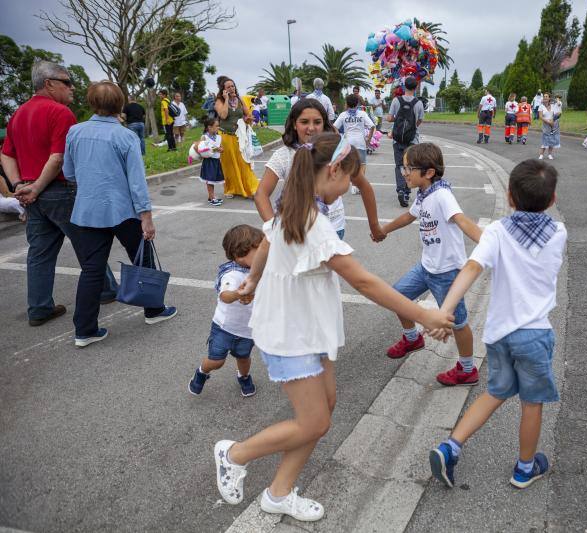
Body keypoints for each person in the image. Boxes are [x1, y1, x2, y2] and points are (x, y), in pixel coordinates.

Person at [215, 133, 453, 521]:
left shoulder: (298, 208)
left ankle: (278, 493)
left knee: (323, 410)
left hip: (307, 327)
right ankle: (234, 453)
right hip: (290, 332)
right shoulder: (313, 222)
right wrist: (425, 315)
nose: (351, 188)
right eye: (352, 179)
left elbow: (268, 245)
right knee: (316, 420)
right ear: (334, 170)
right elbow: (363, 281)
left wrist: (253, 281)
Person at [428, 159, 566, 490]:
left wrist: (445, 311)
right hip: (534, 336)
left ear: (509, 196)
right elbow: (534, 233)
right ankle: (524, 468)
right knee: (531, 404)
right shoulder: (559, 232)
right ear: (552, 199)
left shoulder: (497, 233)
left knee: (495, 392)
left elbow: (471, 269)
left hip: (499, 335)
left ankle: (451, 446)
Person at [1, 60, 116, 327]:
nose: (71, 87)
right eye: (66, 82)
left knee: (39, 252)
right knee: (88, 243)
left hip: (31, 193)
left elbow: (6, 154)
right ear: (49, 84)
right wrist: (37, 186)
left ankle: (39, 307)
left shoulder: (18, 114)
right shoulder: (60, 112)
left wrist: (20, 185)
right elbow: (58, 157)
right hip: (58, 189)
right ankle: (106, 289)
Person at [64, 81, 177, 346]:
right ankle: (153, 310)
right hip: (123, 210)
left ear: (92, 102)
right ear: (120, 104)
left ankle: (85, 330)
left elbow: (69, 173)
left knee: (91, 270)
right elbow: (137, 181)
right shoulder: (125, 136)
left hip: (87, 211)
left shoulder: (75, 132)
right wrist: (146, 216)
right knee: (142, 260)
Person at [379, 143, 483, 385]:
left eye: (408, 168)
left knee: (458, 322)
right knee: (398, 297)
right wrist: (384, 229)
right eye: (403, 167)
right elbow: (409, 216)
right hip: (426, 266)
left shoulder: (443, 196)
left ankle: (467, 369)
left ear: (428, 173)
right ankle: (412, 338)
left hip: (447, 273)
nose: (404, 172)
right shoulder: (425, 194)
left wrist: (487, 244)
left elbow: (462, 221)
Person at [254, 98, 385, 242]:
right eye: (304, 122)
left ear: (324, 124)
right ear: (294, 124)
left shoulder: (338, 153)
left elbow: (364, 185)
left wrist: (374, 226)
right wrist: (274, 231)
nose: (311, 128)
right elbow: (261, 194)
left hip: (333, 229)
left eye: (317, 122)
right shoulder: (283, 155)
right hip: (296, 233)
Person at [189, 224, 262, 396]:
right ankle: (202, 372)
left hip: (247, 329)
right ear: (240, 254)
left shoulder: (259, 272)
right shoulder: (232, 274)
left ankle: (243, 376)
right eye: (257, 251)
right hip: (224, 328)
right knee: (217, 361)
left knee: (244, 357)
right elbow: (225, 296)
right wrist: (238, 294)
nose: (262, 255)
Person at [214, 76, 260, 198]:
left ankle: (252, 189)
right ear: (223, 89)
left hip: (239, 137)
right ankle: (231, 189)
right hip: (225, 137)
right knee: (229, 164)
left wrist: (248, 119)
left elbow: (247, 114)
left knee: (243, 162)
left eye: (233, 86)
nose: (231, 88)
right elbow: (223, 115)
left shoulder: (239, 99)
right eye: (228, 87)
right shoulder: (219, 101)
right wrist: (226, 99)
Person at [386, 77, 425, 207]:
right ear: (415, 88)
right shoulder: (418, 103)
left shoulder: (396, 101)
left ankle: (400, 190)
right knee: (410, 165)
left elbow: (390, 118)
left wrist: (395, 119)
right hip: (412, 139)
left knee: (399, 165)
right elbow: (419, 121)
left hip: (397, 139)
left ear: (404, 87)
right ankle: (407, 191)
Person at [334, 94, 375, 196]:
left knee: (350, 165)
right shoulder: (362, 114)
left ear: (347, 104)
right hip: (360, 142)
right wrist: (368, 139)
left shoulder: (343, 115)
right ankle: (359, 186)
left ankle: (353, 186)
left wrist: (339, 137)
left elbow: (334, 126)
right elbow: (372, 126)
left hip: (348, 143)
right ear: (357, 103)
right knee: (362, 165)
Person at [197, 116, 225, 206]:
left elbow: (221, 148)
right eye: (216, 126)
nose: (218, 128)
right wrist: (212, 149)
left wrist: (220, 149)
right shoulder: (204, 137)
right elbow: (200, 148)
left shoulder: (218, 137)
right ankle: (212, 197)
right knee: (210, 180)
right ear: (209, 127)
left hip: (216, 161)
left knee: (212, 180)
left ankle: (211, 197)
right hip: (209, 161)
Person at [538, 93, 559, 160]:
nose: (545, 97)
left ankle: (549, 154)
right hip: (546, 125)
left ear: (549, 98)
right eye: (544, 96)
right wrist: (548, 121)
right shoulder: (541, 106)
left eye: (546, 96)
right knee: (545, 139)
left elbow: (557, 113)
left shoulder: (553, 106)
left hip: (553, 124)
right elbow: (540, 117)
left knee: (552, 139)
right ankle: (541, 155)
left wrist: (552, 121)